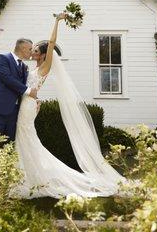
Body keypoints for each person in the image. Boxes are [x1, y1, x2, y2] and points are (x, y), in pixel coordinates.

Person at [13, 14, 126, 198]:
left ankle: (32, 177)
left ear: (42, 54)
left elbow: (51, 42)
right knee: (26, 138)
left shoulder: (44, 67)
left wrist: (57, 21)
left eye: (34, 49)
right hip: (29, 104)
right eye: (31, 49)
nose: (32, 51)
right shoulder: (32, 69)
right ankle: (28, 175)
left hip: (28, 107)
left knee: (26, 136)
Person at [0, 38, 38, 141]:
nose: (31, 52)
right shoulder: (3, 58)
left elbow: (22, 85)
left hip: (15, 111)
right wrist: (29, 91)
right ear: (23, 48)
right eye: (30, 49)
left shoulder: (24, 66)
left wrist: (35, 99)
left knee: (9, 144)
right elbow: (6, 77)